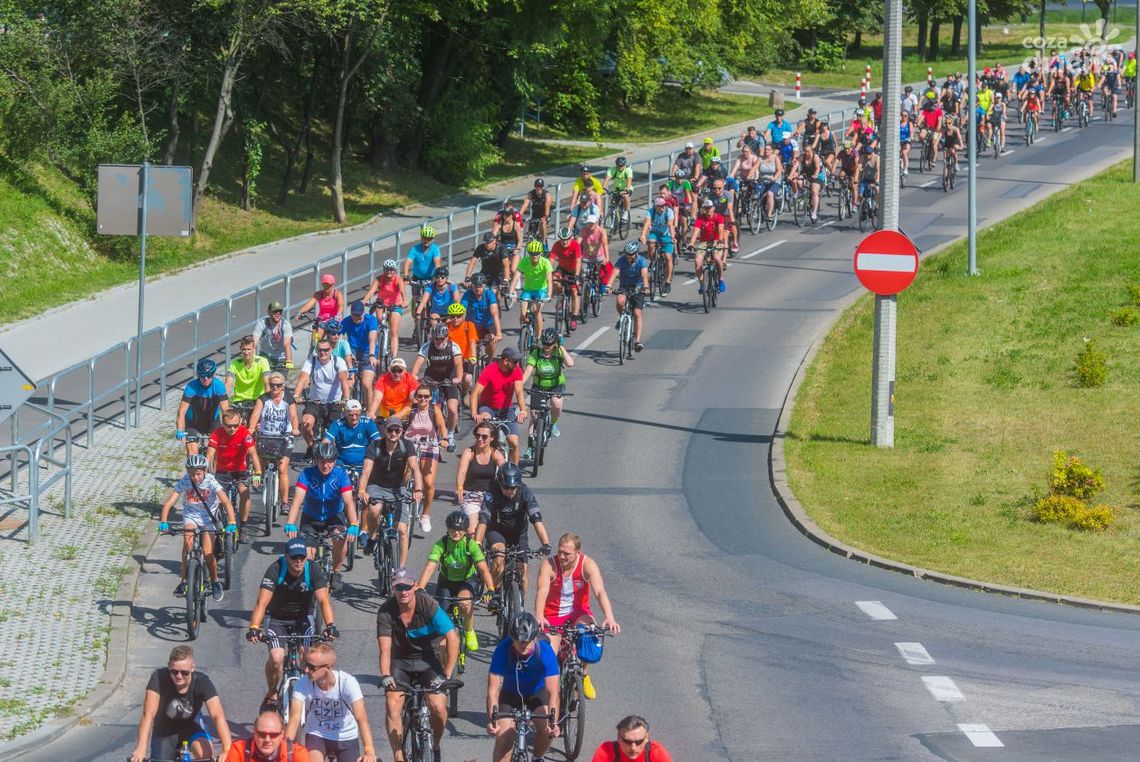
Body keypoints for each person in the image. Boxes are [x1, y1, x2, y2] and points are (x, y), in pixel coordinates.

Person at [246, 537, 338, 714]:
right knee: (277, 657)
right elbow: (261, 603)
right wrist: (254, 627)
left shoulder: (313, 569)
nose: (298, 561)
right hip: (277, 619)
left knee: (310, 656)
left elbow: (324, 601)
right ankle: (272, 693)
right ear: (286, 556)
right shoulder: (275, 569)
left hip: (303, 618)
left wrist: (330, 625)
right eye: (294, 557)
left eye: (302, 557)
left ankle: (309, 692)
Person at [377, 568, 458, 762]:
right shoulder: (386, 611)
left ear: (415, 586)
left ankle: (435, 746)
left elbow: (452, 638)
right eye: (399, 587)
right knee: (393, 702)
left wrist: (446, 674)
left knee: (438, 706)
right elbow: (385, 650)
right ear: (393, 589)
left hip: (428, 660)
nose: (403, 592)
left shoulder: (428, 605)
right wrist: (385, 676)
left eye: (407, 587)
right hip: (400, 661)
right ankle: (398, 756)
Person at [534, 533, 621, 700]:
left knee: (590, 633)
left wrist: (609, 616)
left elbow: (599, 591)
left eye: (567, 554)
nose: (562, 556)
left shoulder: (587, 564)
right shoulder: (549, 565)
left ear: (578, 553)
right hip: (553, 614)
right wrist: (539, 616)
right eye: (560, 552)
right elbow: (542, 592)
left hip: (578, 612)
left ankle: (584, 675)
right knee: (548, 658)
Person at [130, 645, 233, 762]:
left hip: (191, 724)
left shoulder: (202, 681)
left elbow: (217, 715)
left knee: (206, 755)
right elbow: (147, 714)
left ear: (192, 668)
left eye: (184, 672)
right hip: (165, 729)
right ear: (168, 666)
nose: (179, 676)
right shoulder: (158, 677)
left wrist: (227, 748)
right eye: (174, 672)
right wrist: (140, 748)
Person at [158, 453, 237, 600]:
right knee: (187, 546)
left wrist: (232, 522)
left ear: (205, 471)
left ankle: (214, 581)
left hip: (208, 520)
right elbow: (169, 502)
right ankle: (183, 581)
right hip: (191, 517)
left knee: (208, 553)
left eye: (199, 474)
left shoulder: (211, 481)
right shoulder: (185, 481)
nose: (195, 477)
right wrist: (163, 521)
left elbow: (226, 502)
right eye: (192, 474)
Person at [284, 441, 360, 592]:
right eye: (323, 462)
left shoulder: (341, 475)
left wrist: (353, 524)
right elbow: (297, 500)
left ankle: (337, 572)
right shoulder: (306, 474)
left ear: (334, 461)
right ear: (317, 460)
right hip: (311, 518)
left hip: (333, 516)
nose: (326, 465)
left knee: (340, 537)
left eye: (330, 462)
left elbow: (348, 502)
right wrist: (291, 523)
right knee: (309, 556)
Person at [417, 510, 496, 653]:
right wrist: (421, 589)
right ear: (447, 529)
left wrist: (490, 589)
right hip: (447, 581)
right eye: (453, 529)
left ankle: (469, 630)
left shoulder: (470, 545)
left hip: (467, 580)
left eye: (460, 530)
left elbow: (484, 569)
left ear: (465, 531)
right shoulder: (441, 544)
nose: (456, 533)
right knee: (442, 617)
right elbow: (430, 567)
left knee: (465, 603)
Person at [285, 642, 378, 762]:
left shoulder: (347, 683)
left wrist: (369, 751)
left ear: (328, 667)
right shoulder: (303, 683)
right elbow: (294, 718)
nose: (307, 670)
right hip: (317, 734)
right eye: (306, 664)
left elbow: (361, 718)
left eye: (312, 667)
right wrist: (284, 748)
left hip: (345, 736)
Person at [486, 613, 560, 762]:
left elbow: (553, 693)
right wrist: (492, 721)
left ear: (535, 638)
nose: (523, 645)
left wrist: (554, 723)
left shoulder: (545, 651)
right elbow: (493, 691)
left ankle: (537, 757)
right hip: (510, 692)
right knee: (503, 737)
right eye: (519, 641)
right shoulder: (502, 650)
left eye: (527, 641)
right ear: (512, 639)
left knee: (547, 730)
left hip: (537, 692)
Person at [476, 463, 551, 597]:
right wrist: (477, 543)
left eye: (513, 488)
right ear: (500, 484)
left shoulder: (525, 492)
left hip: (518, 533)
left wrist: (545, 543)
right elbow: (483, 520)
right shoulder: (492, 493)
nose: (510, 491)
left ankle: (518, 606)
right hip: (497, 531)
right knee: (499, 558)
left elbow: (536, 518)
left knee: (522, 573)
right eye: (506, 488)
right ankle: (493, 592)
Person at [358, 416, 425, 563]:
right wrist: (362, 490)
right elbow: (366, 471)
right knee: (374, 510)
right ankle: (373, 537)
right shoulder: (374, 446)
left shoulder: (406, 445)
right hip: (376, 486)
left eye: (397, 430)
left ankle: (401, 570)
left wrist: (418, 490)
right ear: (384, 430)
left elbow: (415, 469)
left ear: (401, 431)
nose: (394, 433)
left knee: (402, 529)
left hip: (398, 488)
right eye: (390, 430)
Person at [207, 408, 263, 543]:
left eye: (235, 426)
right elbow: (209, 456)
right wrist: (204, 473)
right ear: (222, 424)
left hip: (240, 472)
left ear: (240, 423)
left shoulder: (244, 433)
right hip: (222, 472)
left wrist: (258, 473)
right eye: (228, 426)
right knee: (218, 499)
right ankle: (220, 522)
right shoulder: (217, 434)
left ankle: (243, 527)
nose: (232, 429)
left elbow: (253, 454)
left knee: (245, 494)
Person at [249, 371, 301, 511]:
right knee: (260, 458)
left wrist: (295, 429)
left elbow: (294, 416)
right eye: (272, 385)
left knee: (282, 468)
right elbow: (255, 415)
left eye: (278, 385)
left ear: (283, 386)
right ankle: (260, 477)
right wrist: (251, 428)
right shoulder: (263, 399)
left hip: (284, 437)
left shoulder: (288, 400)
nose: (275, 388)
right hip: (266, 436)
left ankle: (284, 502)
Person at [293, 338, 350, 459]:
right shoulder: (311, 361)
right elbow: (302, 379)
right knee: (305, 423)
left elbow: (344, 381)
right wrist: (296, 395)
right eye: (320, 350)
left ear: (331, 350)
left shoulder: (338, 362)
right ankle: (311, 446)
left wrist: (345, 398)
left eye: (326, 350)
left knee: (335, 432)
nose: (323, 353)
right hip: (315, 402)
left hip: (334, 403)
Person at [472, 347, 529, 464]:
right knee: (486, 418)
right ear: (505, 361)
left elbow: (519, 392)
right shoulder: (490, 370)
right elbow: (475, 392)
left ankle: (514, 472)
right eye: (514, 361)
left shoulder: (516, 370)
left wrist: (523, 411)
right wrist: (474, 413)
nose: (517, 364)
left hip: (507, 409)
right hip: (488, 408)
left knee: (514, 442)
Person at [523, 328, 574, 457]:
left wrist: (561, 347)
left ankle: (553, 423)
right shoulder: (537, 353)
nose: (546, 347)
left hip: (556, 385)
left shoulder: (558, 352)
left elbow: (570, 364)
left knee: (556, 404)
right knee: (534, 416)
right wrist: (520, 385)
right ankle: (530, 447)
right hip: (539, 384)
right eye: (544, 343)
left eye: (549, 344)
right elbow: (528, 372)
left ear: (555, 343)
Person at [410, 323, 463, 446]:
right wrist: (414, 376)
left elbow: (459, 364)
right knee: (418, 399)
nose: (438, 341)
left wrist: (458, 378)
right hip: (432, 376)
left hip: (449, 378)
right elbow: (418, 363)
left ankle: (449, 434)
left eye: (441, 339)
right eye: (436, 339)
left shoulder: (453, 346)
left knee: (452, 409)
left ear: (446, 337)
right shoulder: (427, 346)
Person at [404, 384, 447, 530]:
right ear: (416, 397)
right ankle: (401, 506)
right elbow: (396, 418)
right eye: (420, 396)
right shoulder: (410, 409)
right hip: (411, 446)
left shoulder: (434, 409)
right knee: (404, 477)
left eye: (426, 396)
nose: (422, 399)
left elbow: (442, 426)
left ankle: (425, 515)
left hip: (429, 445)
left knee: (428, 482)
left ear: (430, 397)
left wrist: (445, 439)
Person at [455, 420, 506, 528]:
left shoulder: (496, 454)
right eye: (477, 435)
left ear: (492, 438)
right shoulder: (469, 452)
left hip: (490, 496)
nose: (480, 439)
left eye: (484, 437)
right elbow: (462, 471)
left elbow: (505, 472)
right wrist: (460, 487)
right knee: (472, 530)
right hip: (471, 495)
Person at [176, 358, 230, 454]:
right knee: (192, 451)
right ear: (198, 375)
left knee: (217, 450)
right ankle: (193, 468)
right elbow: (182, 411)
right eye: (202, 375)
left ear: (213, 374)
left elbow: (225, 410)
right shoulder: (191, 387)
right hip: (193, 423)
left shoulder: (219, 386)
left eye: (209, 375)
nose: (206, 378)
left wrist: (228, 428)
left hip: (212, 421)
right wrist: (180, 431)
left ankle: (214, 468)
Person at [606, 242, 650, 352]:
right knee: (620, 300)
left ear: (636, 253)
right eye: (627, 254)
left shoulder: (641, 261)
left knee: (637, 313)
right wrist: (609, 285)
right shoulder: (621, 260)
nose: (628, 256)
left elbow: (644, 275)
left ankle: (637, 341)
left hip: (638, 288)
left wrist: (646, 287)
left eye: (631, 254)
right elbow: (614, 273)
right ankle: (621, 317)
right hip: (625, 286)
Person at [321, 398, 381, 475]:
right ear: (345, 413)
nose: (354, 418)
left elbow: (378, 441)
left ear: (361, 412)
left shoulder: (368, 422)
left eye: (357, 415)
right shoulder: (337, 424)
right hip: (342, 463)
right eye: (351, 415)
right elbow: (325, 442)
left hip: (365, 463)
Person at [362, 259, 406, 361]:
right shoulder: (379, 280)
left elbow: (403, 294)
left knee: (394, 331)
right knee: (379, 321)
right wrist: (364, 300)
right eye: (387, 269)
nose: (389, 272)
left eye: (391, 270)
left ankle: (394, 357)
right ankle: (379, 340)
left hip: (395, 305)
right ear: (383, 270)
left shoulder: (398, 280)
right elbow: (371, 292)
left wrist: (404, 303)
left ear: (394, 270)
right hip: (381, 304)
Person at [339, 300, 379, 409]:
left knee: (366, 384)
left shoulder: (371, 320)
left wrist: (372, 355)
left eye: (359, 315)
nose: (356, 318)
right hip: (352, 353)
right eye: (354, 315)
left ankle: (370, 412)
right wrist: (346, 353)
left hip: (367, 353)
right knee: (349, 384)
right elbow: (339, 338)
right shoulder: (346, 321)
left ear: (363, 313)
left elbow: (372, 338)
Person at [226, 711, 310, 762]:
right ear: (254, 733)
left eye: (273, 735)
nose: (267, 740)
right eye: (262, 734)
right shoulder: (239, 751)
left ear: (282, 735)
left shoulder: (297, 754)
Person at [512, 239, 554, 339]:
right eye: (531, 254)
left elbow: (549, 280)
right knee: (522, 312)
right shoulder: (525, 261)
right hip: (528, 290)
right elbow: (516, 277)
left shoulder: (545, 262)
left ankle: (538, 337)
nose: (534, 256)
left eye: (536, 254)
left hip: (541, 290)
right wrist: (511, 292)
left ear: (540, 253)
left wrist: (549, 294)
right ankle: (524, 331)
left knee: (536, 310)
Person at [590, 715, 673, 762]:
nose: (633, 748)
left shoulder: (657, 753)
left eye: (639, 742)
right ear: (618, 738)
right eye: (627, 741)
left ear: (646, 738)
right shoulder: (605, 751)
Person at [226, 335, 271, 417]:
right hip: (239, 401)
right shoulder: (235, 364)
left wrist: (268, 401)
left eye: (249, 349)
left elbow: (266, 383)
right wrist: (224, 400)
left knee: (257, 425)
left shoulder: (262, 361)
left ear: (254, 349)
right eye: (244, 349)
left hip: (258, 400)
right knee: (235, 425)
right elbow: (228, 384)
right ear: (240, 349)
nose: (246, 352)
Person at [688, 200, 726, 297]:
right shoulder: (701, 218)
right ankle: (702, 284)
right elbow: (696, 231)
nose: (708, 210)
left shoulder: (718, 217)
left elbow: (721, 230)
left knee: (717, 258)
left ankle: (721, 279)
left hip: (717, 241)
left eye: (710, 208)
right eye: (706, 208)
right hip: (704, 242)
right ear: (703, 209)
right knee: (697, 261)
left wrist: (720, 240)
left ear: (713, 208)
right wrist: (691, 243)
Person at [461, 272, 503, 358]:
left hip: (487, 326)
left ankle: (489, 362)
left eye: (480, 286)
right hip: (472, 326)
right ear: (472, 286)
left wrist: (498, 333)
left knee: (491, 342)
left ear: (484, 286)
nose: (478, 289)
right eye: (475, 286)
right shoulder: (468, 294)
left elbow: (494, 313)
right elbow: (461, 311)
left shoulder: (489, 294)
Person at [638, 197, 675, 297]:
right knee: (651, 242)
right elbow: (647, 224)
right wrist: (642, 235)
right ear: (656, 206)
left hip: (666, 235)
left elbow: (671, 225)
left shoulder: (669, 211)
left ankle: (667, 281)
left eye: (664, 205)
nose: (664, 207)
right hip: (654, 233)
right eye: (661, 206)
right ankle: (653, 261)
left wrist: (673, 237)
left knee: (668, 257)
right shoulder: (651, 212)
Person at [549, 227, 583, 330]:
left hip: (574, 270)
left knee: (574, 290)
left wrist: (576, 276)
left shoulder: (575, 245)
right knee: (554, 279)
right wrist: (548, 273)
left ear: (571, 238)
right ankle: (560, 297)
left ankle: (574, 317)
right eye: (562, 239)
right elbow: (551, 260)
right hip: (562, 268)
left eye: (567, 239)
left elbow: (578, 261)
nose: (564, 241)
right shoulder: (556, 245)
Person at [445, 302, 480, 397]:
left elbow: (472, 342)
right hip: (450, 360)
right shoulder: (445, 326)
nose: (455, 319)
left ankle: (464, 393)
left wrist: (473, 357)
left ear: (463, 316)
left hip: (465, 360)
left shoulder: (469, 325)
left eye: (458, 316)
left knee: (468, 379)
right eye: (452, 316)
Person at [368, 356, 418, 421]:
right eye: (394, 370)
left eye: (400, 371)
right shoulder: (383, 379)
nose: (397, 374)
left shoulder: (410, 379)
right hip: (386, 414)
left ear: (405, 371)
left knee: (409, 407)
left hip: (404, 414)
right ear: (390, 371)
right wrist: (371, 413)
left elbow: (414, 397)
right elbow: (376, 400)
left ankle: (392, 420)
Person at [465, 234, 512, 300]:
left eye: (489, 242)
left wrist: (506, 279)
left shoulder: (501, 248)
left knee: (494, 293)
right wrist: (467, 277)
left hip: (499, 274)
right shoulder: (480, 248)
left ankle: (497, 307)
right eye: (486, 242)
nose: (487, 244)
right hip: (485, 272)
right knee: (476, 290)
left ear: (494, 241)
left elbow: (506, 266)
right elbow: (472, 263)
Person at [253, 302, 295, 369]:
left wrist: (288, 361)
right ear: (269, 312)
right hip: (265, 357)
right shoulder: (262, 324)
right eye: (275, 311)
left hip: (281, 358)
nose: (278, 313)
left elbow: (286, 344)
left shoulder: (286, 325)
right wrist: (252, 360)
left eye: (280, 311)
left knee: (279, 379)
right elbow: (254, 343)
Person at [519, 178, 552, 242]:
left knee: (543, 223)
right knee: (531, 228)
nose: (539, 188)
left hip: (545, 214)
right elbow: (525, 205)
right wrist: (520, 215)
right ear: (535, 186)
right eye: (537, 186)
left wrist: (545, 216)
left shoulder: (547, 195)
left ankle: (544, 241)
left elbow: (547, 206)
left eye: (541, 186)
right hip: (535, 215)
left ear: (543, 187)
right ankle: (531, 242)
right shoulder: (531, 194)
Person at [603, 156, 633, 221]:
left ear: (624, 165)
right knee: (613, 204)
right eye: (618, 165)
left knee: (625, 196)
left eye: (621, 166)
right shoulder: (613, 169)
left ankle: (626, 212)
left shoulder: (628, 170)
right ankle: (613, 220)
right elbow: (607, 179)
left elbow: (629, 181)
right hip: (616, 189)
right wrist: (604, 187)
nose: (619, 167)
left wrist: (627, 189)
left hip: (626, 188)